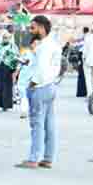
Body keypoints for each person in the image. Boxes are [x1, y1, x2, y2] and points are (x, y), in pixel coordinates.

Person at [17, 16, 60, 169]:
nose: (31, 30)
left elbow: (42, 68)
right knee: (49, 124)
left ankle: (33, 158)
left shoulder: (45, 47)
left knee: (37, 124)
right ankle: (48, 158)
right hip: (50, 85)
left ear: (42, 28)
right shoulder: (53, 44)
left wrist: (32, 83)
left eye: (33, 27)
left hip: (40, 86)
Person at [0, 33, 20, 112]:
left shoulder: (13, 47)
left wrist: (15, 69)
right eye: (4, 37)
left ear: (10, 38)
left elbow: (16, 57)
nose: (5, 39)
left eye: (7, 37)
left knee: (7, 87)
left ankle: (5, 105)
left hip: (8, 69)